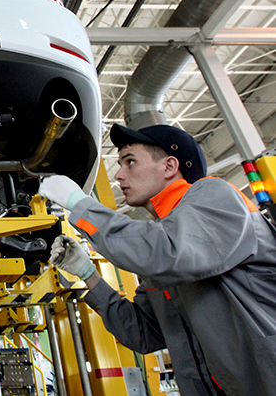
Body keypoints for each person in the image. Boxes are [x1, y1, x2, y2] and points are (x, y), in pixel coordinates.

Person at [39, 123, 276, 396]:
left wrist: (81, 204)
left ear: (169, 166)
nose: (118, 175)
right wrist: (88, 274)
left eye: (130, 162)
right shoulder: (161, 248)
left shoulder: (215, 196)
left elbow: (165, 252)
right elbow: (143, 333)